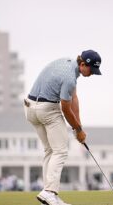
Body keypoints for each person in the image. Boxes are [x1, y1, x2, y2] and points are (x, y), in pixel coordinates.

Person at [24, 50, 102, 205]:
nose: (92, 74)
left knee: (50, 150)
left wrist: (78, 127)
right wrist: (78, 130)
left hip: (29, 108)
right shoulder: (70, 79)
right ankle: (49, 192)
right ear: (82, 64)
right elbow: (66, 109)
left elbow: (74, 98)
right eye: (91, 70)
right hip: (46, 109)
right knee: (60, 150)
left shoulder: (67, 63)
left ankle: (48, 193)